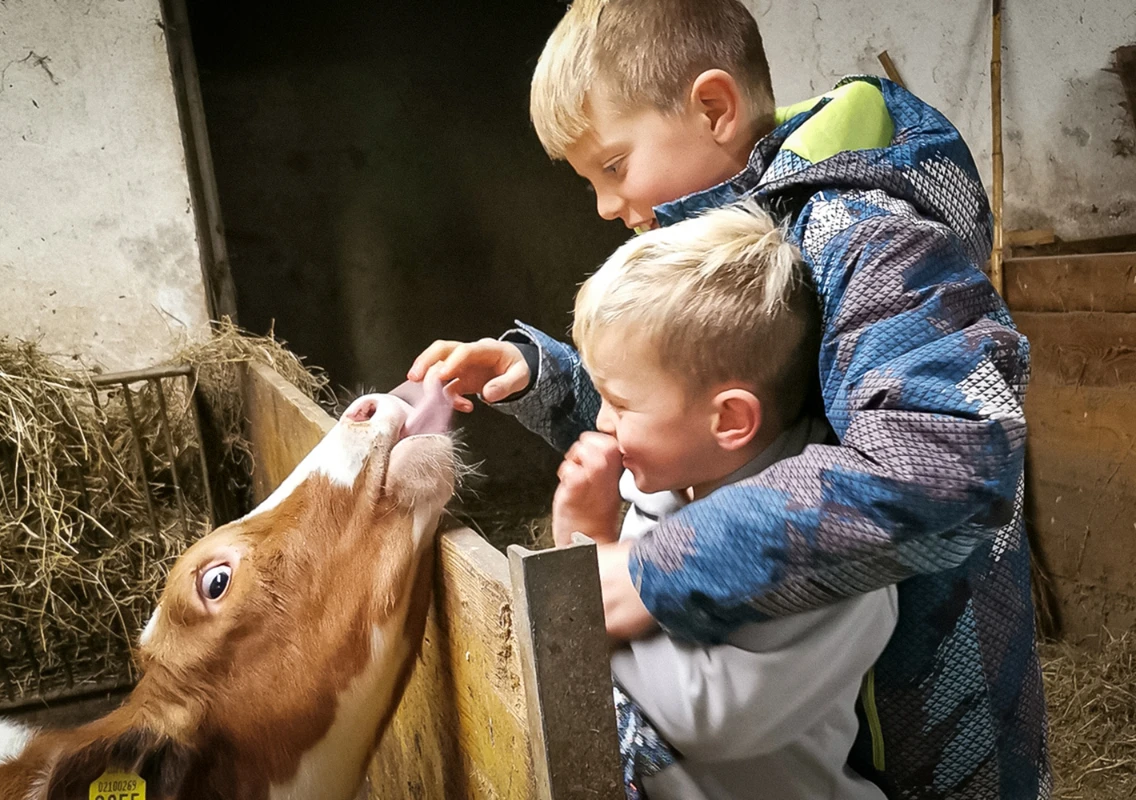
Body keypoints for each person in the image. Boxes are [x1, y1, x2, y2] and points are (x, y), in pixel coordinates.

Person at [409, 1, 1049, 797]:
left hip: (934, 703)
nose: (606, 206)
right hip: (822, 716)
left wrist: (652, 567)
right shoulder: (768, 221)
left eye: (612, 166)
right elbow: (704, 426)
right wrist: (545, 377)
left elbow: (947, 461)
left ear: (713, 108)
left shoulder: (868, 235)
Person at [560, 201, 897, 800]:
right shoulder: (664, 484)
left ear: (730, 420)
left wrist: (588, 563)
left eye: (620, 403)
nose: (603, 424)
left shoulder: (829, 552)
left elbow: (710, 715)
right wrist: (592, 552)